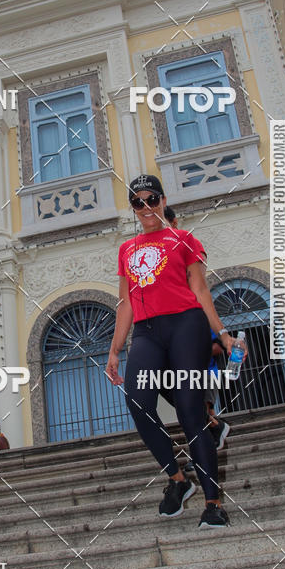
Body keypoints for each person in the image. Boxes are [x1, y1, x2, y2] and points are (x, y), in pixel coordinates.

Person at [106, 176, 243, 528]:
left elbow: (200, 289)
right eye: (138, 202)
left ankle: (213, 503)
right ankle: (178, 480)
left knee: (188, 412)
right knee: (138, 401)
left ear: (162, 200)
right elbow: (125, 304)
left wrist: (223, 334)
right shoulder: (127, 249)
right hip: (148, 332)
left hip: (186, 324)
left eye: (151, 198)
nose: (146, 206)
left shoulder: (183, 239)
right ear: (133, 209)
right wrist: (115, 350)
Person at [164, 206, 231, 451]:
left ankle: (208, 442)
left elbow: (198, 284)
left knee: (198, 403)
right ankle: (210, 434)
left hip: (192, 325)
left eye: (165, 222)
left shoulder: (187, 243)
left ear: (174, 221)